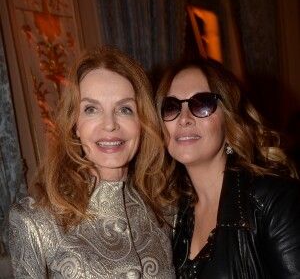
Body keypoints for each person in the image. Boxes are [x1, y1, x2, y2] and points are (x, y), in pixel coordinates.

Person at [9, 46, 176, 278]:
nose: (109, 125)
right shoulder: (35, 221)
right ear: (75, 125)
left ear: (142, 122)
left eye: (125, 109)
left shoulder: (167, 210)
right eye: (91, 109)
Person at [155, 57, 300, 278]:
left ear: (229, 117)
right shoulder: (171, 214)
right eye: (171, 106)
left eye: (202, 103)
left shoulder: (274, 202)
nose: (184, 119)